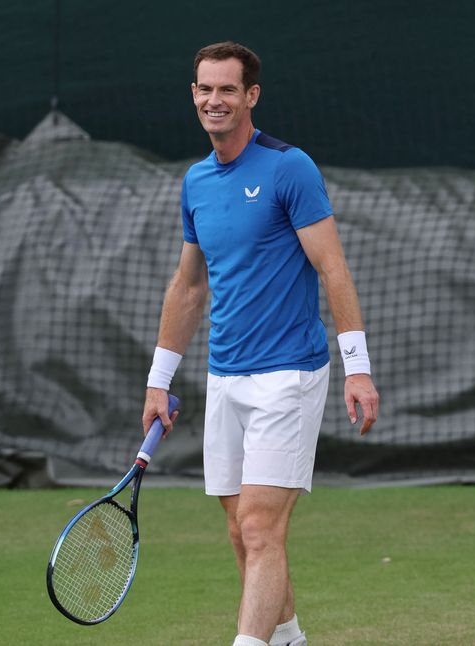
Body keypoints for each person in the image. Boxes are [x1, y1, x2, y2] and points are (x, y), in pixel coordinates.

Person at [142, 41, 379, 646]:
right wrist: (158, 382)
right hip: (225, 376)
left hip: (289, 377)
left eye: (227, 89)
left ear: (251, 96)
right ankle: (292, 639)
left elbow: (333, 269)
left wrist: (358, 369)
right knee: (241, 531)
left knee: (260, 527)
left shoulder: (288, 167)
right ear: (193, 94)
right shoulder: (195, 182)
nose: (213, 100)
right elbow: (189, 286)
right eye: (204, 88)